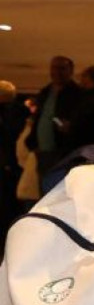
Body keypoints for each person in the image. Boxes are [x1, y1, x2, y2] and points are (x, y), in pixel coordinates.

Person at [25, 55, 81, 177]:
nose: (57, 72)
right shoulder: (45, 92)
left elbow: (80, 120)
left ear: (70, 71)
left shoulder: (77, 93)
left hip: (63, 151)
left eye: (61, 68)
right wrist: (32, 143)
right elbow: (40, 117)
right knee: (45, 186)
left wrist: (71, 127)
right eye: (54, 68)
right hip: (43, 151)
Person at [0, 81, 29, 255]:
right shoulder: (21, 111)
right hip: (13, 165)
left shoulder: (15, 113)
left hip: (10, 164)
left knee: (8, 205)